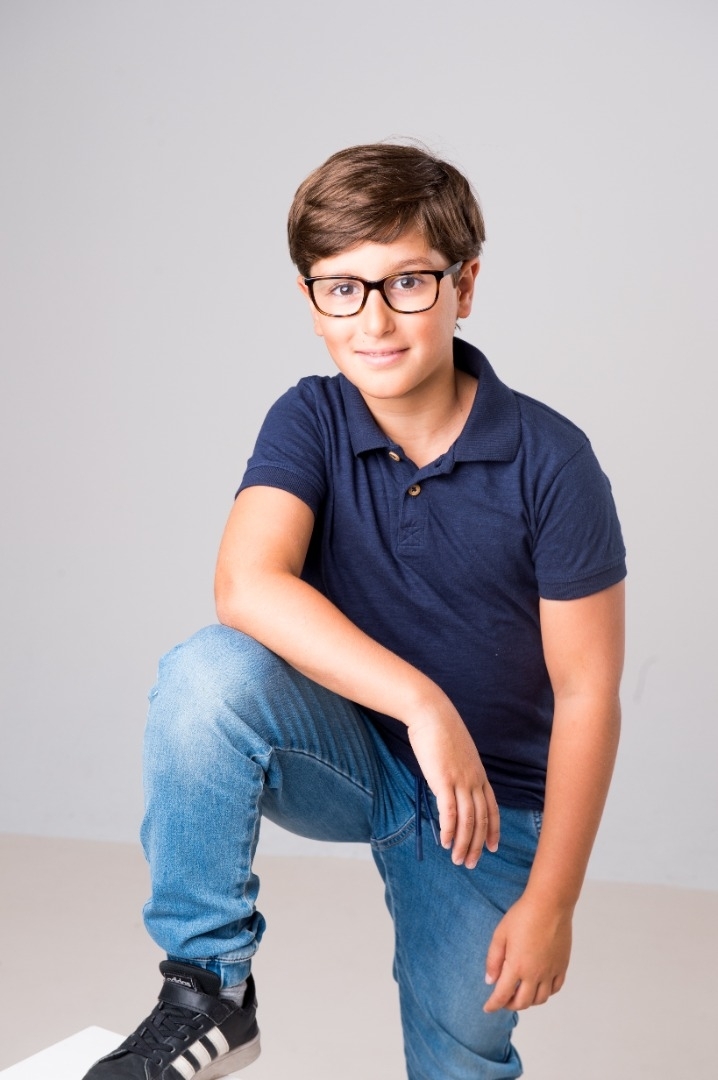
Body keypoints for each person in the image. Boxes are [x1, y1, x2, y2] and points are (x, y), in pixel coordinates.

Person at [83, 142, 626, 1080]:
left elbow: (587, 693)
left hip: (488, 808)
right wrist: (423, 705)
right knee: (209, 674)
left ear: (465, 285)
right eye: (343, 289)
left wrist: (554, 902)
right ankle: (208, 990)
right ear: (311, 301)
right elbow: (247, 584)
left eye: (407, 282)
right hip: (356, 758)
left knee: (459, 1059)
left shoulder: (552, 461)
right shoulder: (311, 419)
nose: (375, 319)